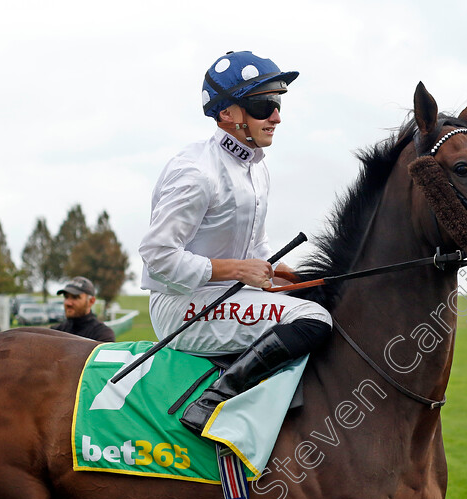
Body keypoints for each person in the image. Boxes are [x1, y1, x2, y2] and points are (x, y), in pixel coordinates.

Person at [139, 51, 332, 435]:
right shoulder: (195, 172)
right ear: (228, 112)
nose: (277, 117)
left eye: (277, 104)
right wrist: (234, 270)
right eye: (264, 105)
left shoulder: (256, 169)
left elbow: (253, 249)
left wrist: (276, 273)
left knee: (322, 299)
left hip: (226, 296)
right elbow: (156, 257)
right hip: (181, 306)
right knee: (314, 320)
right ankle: (212, 401)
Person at [51, 276, 115, 342]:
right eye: (66, 297)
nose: (68, 303)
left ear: (91, 301)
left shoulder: (102, 334)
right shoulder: (55, 332)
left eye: (75, 297)